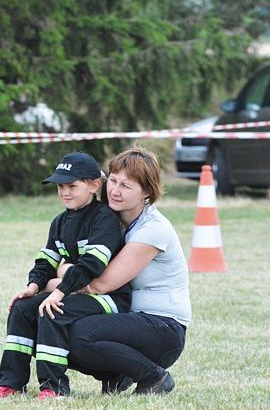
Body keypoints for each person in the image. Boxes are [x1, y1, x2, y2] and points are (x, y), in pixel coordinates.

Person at [0, 152, 131, 400]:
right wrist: (33, 287)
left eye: (72, 186)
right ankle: (11, 383)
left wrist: (58, 292)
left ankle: (54, 389)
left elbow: (91, 266)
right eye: (60, 187)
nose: (65, 192)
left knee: (52, 310)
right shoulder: (59, 222)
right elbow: (46, 261)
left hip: (109, 298)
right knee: (22, 308)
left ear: (95, 185)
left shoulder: (104, 219)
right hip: (74, 290)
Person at [66, 146, 191, 395]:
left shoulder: (153, 229)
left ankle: (154, 378)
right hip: (127, 319)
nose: (115, 190)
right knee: (49, 324)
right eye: (113, 180)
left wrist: (65, 273)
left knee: (78, 334)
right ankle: (119, 374)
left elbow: (100, 284)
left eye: (126, 185)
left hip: (163, 328)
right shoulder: (106, 221)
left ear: (146, 192)